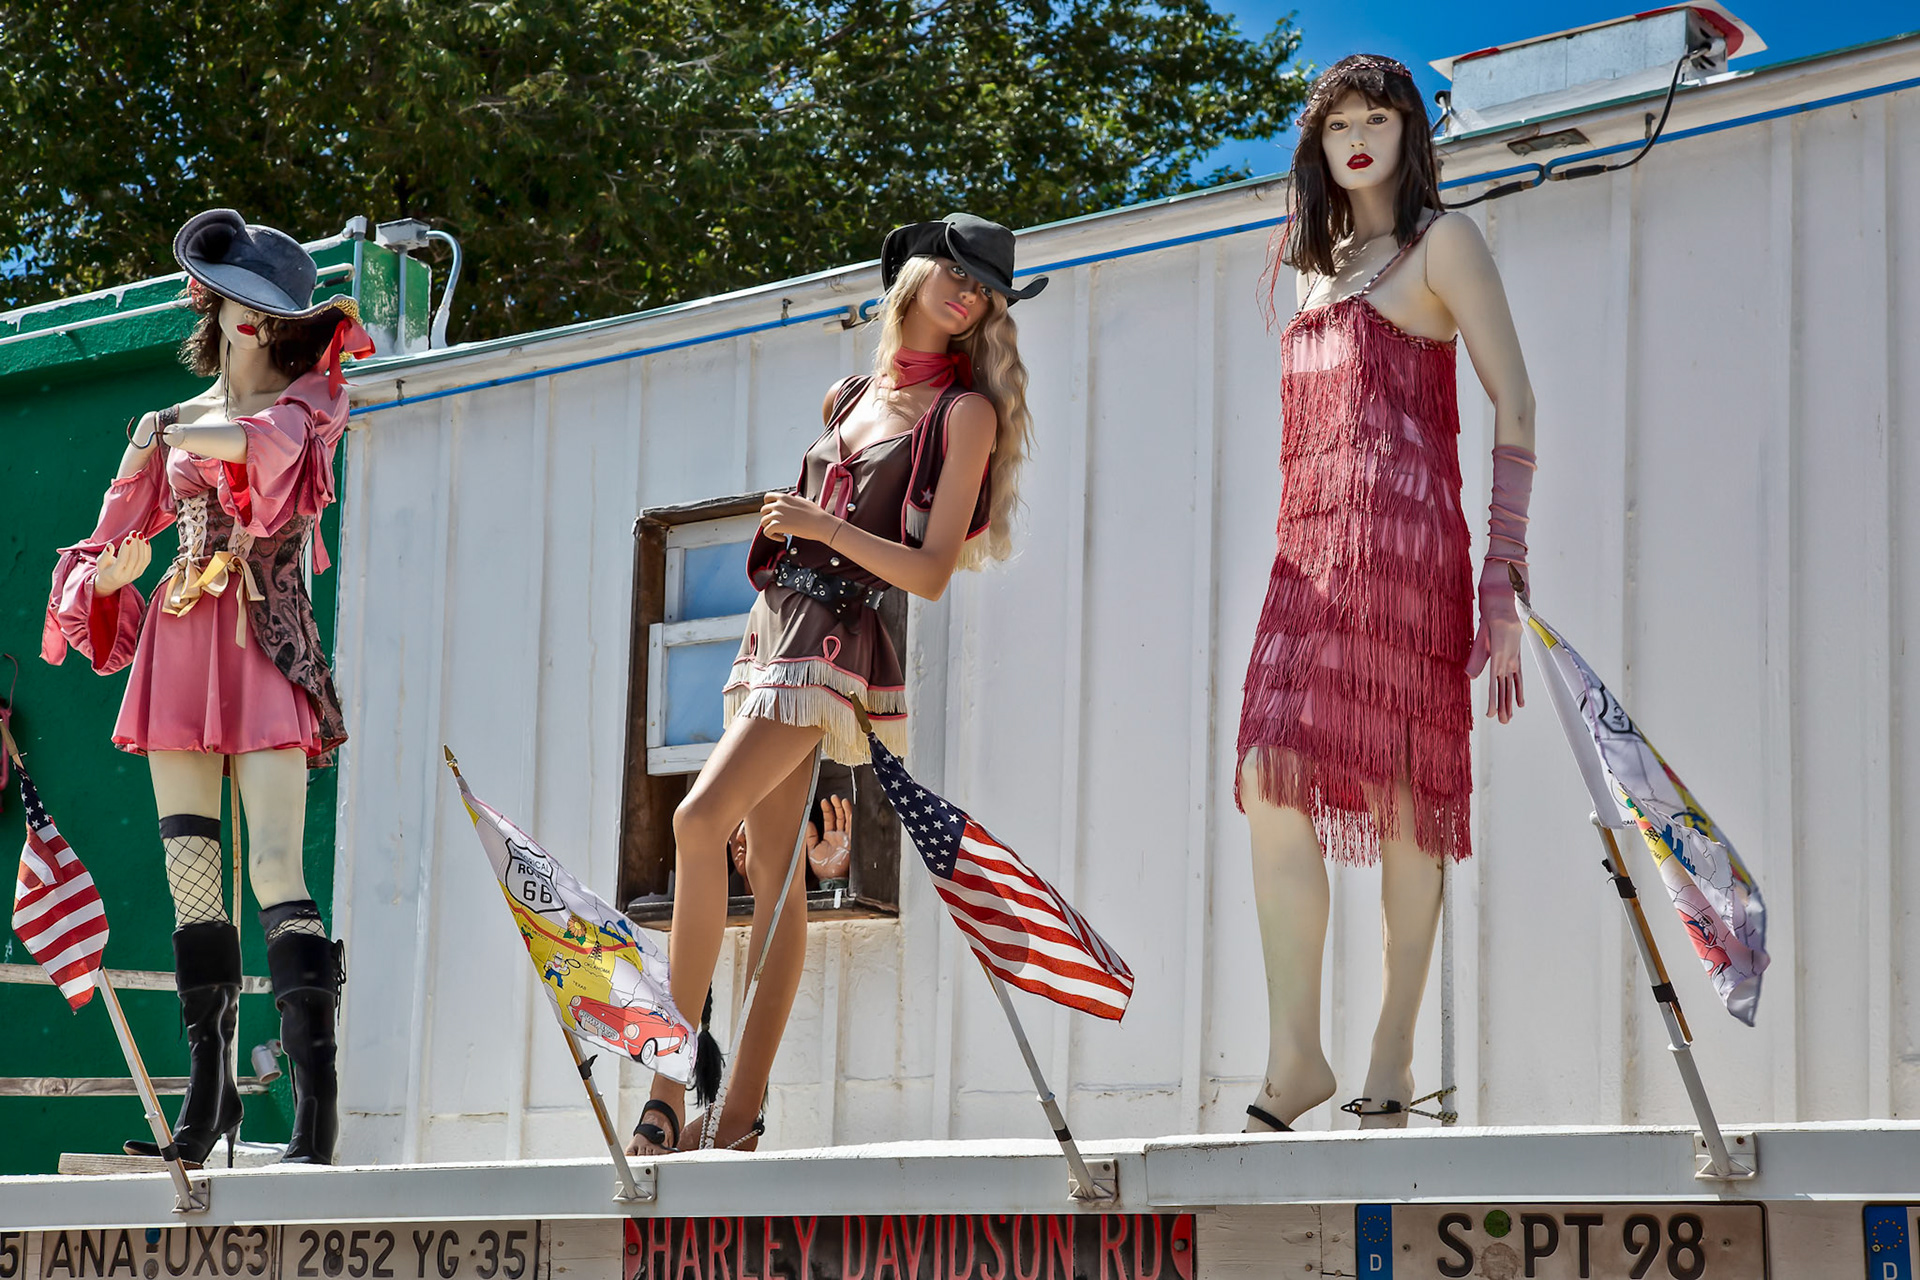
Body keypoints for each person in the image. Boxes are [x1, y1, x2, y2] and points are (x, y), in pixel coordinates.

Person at [628, 213, 1044, 1155]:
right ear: (912, 276)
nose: (968, 292)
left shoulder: (964, 414)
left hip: (834, 643)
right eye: (956, 271)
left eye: (984, 286)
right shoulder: (848, 393)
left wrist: (817, 530)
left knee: (697, 823)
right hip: (769, 630)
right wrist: (797, 533)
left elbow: (930, 572)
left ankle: (666, 1084)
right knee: (772, 884)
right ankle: (736, 1122)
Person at [1235, 56, 1538, 1132]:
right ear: (1316, 147)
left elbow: (1517, 403)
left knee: (1411, 810)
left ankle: (1393, 1052)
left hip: (1411, 558)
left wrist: (1503, 571)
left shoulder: (1441, 243)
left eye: (1379, 118)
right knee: (1269, 782)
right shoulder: (1316, 267)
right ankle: (1294, 1057)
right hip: (1306, 561)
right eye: (1337, 124)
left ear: (1411, 132)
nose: (1358, 137)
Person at [43, 209, 373, 1166]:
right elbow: (105, 539)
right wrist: (106, 578)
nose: (255, 323)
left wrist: (176, 429)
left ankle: (318, 1107)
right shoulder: (170, 426)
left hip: (265, 644)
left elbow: (266, 455)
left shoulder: (311, 404)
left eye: (270, 311)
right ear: (215, 310)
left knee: (276, 868)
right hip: (182, 645)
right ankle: (209, 1099)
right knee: (192, 880)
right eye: (240, 306)